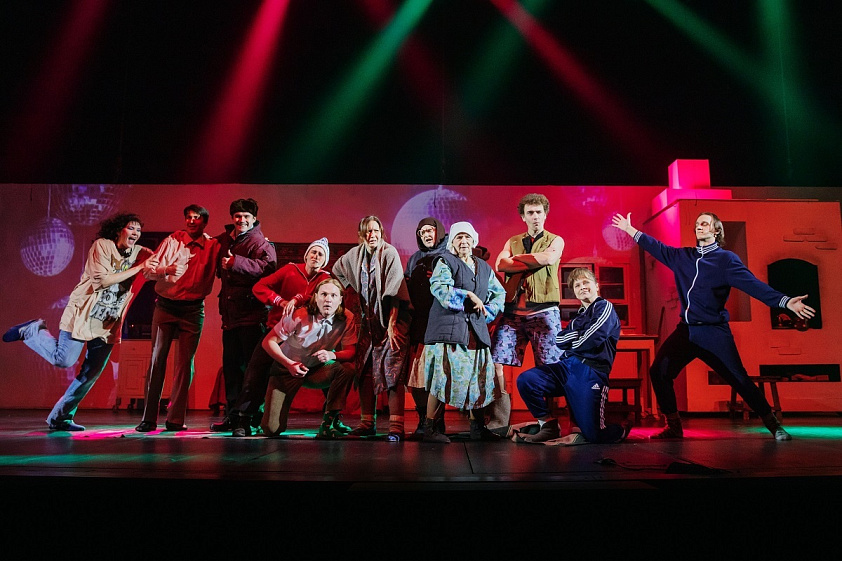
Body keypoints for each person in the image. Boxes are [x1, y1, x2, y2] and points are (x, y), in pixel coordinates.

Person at [611, 211, 815, 440]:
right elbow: (657, 247)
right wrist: (630, 230)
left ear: (716, 230)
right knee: (658, 371)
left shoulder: (726, 260)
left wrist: (785, 301)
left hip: (714, 332)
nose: (699, 226)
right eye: (697, 223)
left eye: (705, 224)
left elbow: (753, 285)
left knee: (739, 379)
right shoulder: (683, 257)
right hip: (687, 330)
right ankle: (674, 426)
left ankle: (774, 425)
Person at [3, 212, 155, 431]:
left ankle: (60, 418)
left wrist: (168, 269)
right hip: (82, 315)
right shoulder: (102, 246)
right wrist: (139, 268)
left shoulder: (141, 253)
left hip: (107, 324)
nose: (135, 233)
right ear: (118, 230)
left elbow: (158, 265)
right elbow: (102, 281)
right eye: (131, 228)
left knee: (90, 373)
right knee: (63, 360)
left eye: (138, 230)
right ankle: (33, 330)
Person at [218, 238, 334, 437]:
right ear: (306, 255)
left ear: (325, 261)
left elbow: (326, 297)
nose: (316, 256)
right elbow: (260, 287)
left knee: (332, 368)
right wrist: (279, 301)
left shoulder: (325, 279)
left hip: (308, 337)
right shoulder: (290, 270)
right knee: (256, 370)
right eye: (313, 252)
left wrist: (298, 298)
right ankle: (244, 419)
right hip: (278, 332)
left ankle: (333, 419)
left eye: (320, 254)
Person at [515, 267, 630, 444]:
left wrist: (574, 341)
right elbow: (559, 340)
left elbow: (594, 336)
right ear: (574, 292)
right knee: (527, 380)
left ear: (596, 286)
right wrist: (577, 337)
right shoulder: (577, 318)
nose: (582, 287)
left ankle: (621, 429)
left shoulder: (604, 306)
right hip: (566, 367)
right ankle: (548, 425)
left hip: (590, 371)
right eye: (577, 285)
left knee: (594, 435)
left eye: (586, 282)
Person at [135, 205, 221, 432]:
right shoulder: (172, 241)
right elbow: (147, 272)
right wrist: (166, 269)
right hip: (166, 306)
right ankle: (148, 418)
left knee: (185, 365)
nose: (191, 221)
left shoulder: (213, 246)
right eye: (189, 217)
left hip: (193, 310)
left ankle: (175, 419)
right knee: (157, 360)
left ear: (204, 222)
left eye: (197, 218)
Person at [421, 221, 506, 443]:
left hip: (475, 331)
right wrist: (467, 296)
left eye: (467, 237)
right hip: (449, 329)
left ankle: (477, 427)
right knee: (442, 378)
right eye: (459, 237)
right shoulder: (445, 261)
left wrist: (486, 312)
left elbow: (499, 294)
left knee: (477, 378)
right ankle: (430, 427)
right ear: (452, 242)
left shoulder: (484, 268)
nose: (464, 241)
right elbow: (439, 287)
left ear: (474, 240)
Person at [490, 193, 565, 435]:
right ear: (523, 216)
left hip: (544, 312)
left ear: (545, 214)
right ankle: (499, 423)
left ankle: (549, 421)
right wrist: (533, 260)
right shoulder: (513, 240)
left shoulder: (555, 240)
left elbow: (550, 257)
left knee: (552, 366)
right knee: (495, 362)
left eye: (538, 212)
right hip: (513, 313)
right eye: (530, 212)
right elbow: (500, 264)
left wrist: (516, 260)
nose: (535, 216)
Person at [332, 216, 410, 441]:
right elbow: (337, 269)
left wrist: (392, 324)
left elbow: (395, 292)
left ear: (381, 232)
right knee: (364, 369)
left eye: (375, 231)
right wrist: (351, 289)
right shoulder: (355, 255)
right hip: (369, 321)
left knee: (393, 371)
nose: (371, 235)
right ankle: (367, 423)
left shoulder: (389, 253)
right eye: (367, 231)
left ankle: (396, 426)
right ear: (361, 234)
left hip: (392, 319)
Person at [260, 279, 358, 438]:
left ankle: (328, 423)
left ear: (340, 299)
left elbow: (350, 352)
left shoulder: (347, 318)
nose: (328, 299)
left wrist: (332, 355)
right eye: (324, 294)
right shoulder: (300, 315)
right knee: (271, 429)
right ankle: (262, 409)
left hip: (316, 370)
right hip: (287, 369)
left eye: (333, 295)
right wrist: (289, 364)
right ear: (316, 297)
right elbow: (268, 342)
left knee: (347, 369)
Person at [211, 198, 276, 430]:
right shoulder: (225, 239)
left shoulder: (260, 243)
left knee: (252, 370)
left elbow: (268, 268)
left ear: (254, 218)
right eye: (238, 216)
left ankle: (248, 417)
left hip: (251, 315)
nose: (241, 220)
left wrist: (236, 263)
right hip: (230, 317)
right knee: (231, 369)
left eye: (246, 216)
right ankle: (232, 415)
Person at [403, 217, 448, 439]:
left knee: (438, 375)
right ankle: (423, 419)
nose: (427, 235)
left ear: (438, 232)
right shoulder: (414, 259)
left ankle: (437, 421)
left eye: (430, 231)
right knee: (417, 375)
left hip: (443, 323)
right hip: (419, 324)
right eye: (422, 233)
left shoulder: (450, 255)